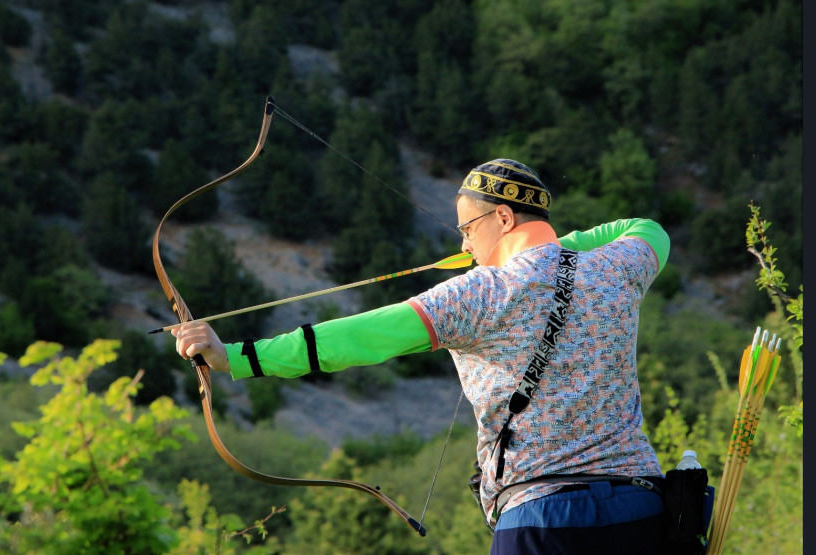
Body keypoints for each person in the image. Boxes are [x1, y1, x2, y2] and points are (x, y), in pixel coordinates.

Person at [173, 158, 670, 554]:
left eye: (468, 228)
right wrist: (558, 250)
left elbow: (356, 338)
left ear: (502, 216)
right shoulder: (615, 266)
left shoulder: (475, 294)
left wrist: (236, 357)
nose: (465, 243)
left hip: (542, 518)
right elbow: (648, 229)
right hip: (643, 507)